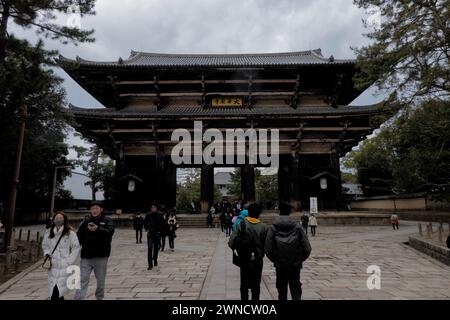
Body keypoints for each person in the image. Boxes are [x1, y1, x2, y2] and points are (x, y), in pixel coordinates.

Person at [265, 202, 312, 300]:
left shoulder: (273, 227)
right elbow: (307, 248)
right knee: (295, 289)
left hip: (280, 264)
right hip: (295, 264)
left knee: (281, 291)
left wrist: (275, 259)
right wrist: (300, 259)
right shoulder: (297, 227)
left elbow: (268, 249)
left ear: (279, 212)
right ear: (290, 212)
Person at [75, 201, 115, 300]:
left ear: (101, 209)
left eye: (96, 208)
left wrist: (98, 229)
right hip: (86, 257)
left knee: (100, 281)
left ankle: (99, 297)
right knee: (82, 279)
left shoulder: (107, 220)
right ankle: (78, 298)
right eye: (92, 208)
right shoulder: (85, 222)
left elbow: (110, 232)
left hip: (101, 256)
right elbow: (78, 238)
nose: (94, 210)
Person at [228, 203, 268, 301]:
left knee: (244, 284)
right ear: (259, 213)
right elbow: (267, 246)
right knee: (256, 285)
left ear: (248, 212)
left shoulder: (241, 224)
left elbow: (231, 242)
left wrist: (238, 249)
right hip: (258, 259)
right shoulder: (264, 227)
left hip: (244, 258)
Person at [42, 211, 80, 300]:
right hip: (53, 265)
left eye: (61, 218)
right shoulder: (48, 232)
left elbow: (76, 247)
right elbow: (45, 245)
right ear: (54, 220)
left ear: (64, 220)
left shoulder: (70, 233)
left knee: (59, 290)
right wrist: (47, 254)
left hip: (64, 265)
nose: (58, 220)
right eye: (57, 218)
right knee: (55, 289)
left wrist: (69, 261)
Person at [144, 203, 164, 270]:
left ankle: (155, 259)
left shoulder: (160, 214)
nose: (153, 209)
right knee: (150, 248)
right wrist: (147, 229)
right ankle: (150, 265)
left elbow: (162, 223)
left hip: (157, 234)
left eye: (154, 207)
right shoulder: (148, 214)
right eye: (152, 208)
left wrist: (160, 232)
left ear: (156, 208)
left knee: (156, 248)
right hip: (150, 234)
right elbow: (145, 222)